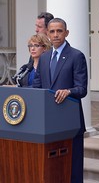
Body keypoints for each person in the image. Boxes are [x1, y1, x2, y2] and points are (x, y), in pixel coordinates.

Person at [33, 18, 88, 183]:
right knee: (53, 169)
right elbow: (38, 86)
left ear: (66, 33)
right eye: (52, 31)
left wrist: (68, 91)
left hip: (69, 122)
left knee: (73, 169)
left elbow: (82, 89)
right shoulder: (44, 57)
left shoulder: (76, 56)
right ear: (47, 34)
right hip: (48, 123)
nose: (55, 35)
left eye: (59, 31)